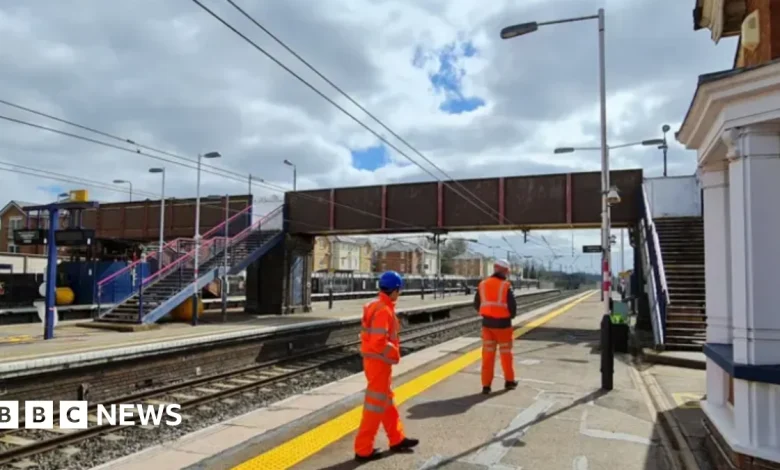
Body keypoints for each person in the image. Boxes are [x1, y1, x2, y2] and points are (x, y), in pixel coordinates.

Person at [354, 271, 419, 461]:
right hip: (379, 362)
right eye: (399, 290)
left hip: (374, 361)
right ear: (394, 290)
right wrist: (394, 353)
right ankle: (363, 449)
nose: (400, 294)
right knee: (374, 407)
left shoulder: (375, 305)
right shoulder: (384, 310)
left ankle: (396, 439)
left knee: (386, 402)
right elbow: (378, 342)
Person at [474, 259, 519, 394]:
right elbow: (512, 307)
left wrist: (488, 313)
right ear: (505, 271)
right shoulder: (506, 286)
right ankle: (509, 381)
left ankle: (486, 386)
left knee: (487, 356)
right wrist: (509, 316)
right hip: (503, 326)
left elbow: (476, 304)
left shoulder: (483, 284)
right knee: (506, 355)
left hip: (487, 325)